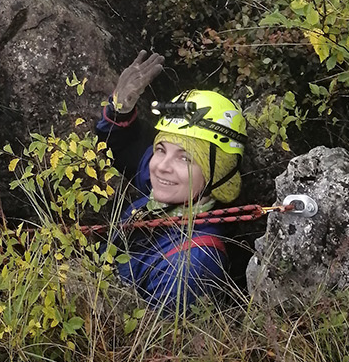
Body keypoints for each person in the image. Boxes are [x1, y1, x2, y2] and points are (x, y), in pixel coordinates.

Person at [96, 50, 247, 310]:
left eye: (185, 159)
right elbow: (121, 150)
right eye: (161, 149)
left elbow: (149, 343)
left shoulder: (192, 263)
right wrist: (120, 109)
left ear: (217, 172)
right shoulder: (168, 195)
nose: (161, 167)